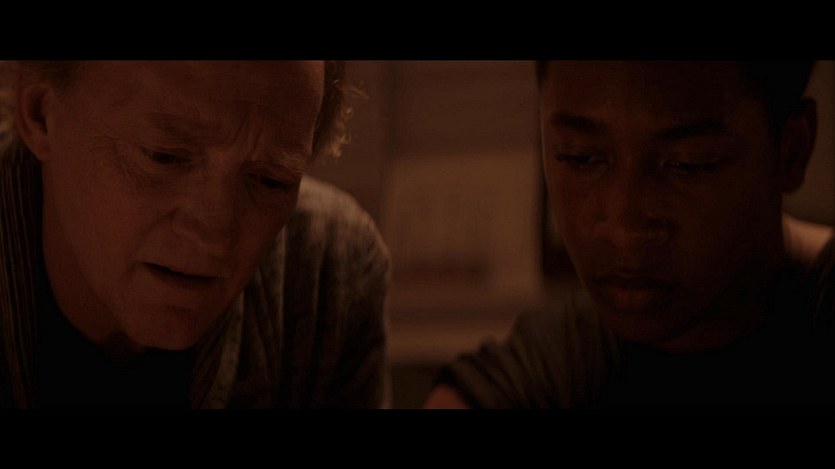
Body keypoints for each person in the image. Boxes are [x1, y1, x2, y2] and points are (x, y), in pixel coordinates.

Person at [425, 60, 835, 408]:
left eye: (688, 164)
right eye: (580, 157)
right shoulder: (559, 363)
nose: (624, 230)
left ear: (792, 150)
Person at [0, 61, 391, 408]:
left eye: (270, 180)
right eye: (164, 156)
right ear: (39, 114)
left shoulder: (327, 273)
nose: (214, 237)